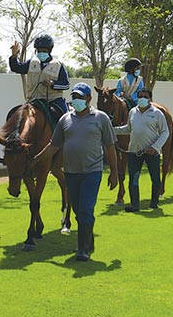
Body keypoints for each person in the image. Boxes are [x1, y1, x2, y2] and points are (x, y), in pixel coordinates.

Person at [33, 82, 119, 261]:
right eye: (74, 97)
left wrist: (114, 172)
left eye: (80, 97)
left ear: (88, 99)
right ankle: (88, 239)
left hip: (92, 171)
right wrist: (35, 160)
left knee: (86, 209)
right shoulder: (65, 119)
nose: (77, 100)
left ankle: (82, 249)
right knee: (79, 211)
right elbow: (53, 145)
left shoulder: (101, 118)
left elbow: (110, 146)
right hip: (71, 172)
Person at [113, 88, 169, 212]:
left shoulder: (157, 113)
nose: (142, 98)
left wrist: (155, 147)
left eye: (145, 96)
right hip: (134, 151)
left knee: (155, 178)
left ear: (150, 98)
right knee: (133, 178)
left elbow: (165, 132)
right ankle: (134, 205)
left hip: (152, 152)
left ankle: (154, 204)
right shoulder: (133, 112)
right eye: (140, 96)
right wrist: (113, 130)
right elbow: (128, 128)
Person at [9, 34, 70, 115]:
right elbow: (16, 68)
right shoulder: (31, 62)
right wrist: (14, 56)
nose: (41, 53)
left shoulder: (58, 65)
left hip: (53, 100)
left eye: (44, 51)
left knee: (66, 118)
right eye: (39, 51)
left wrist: (52, 84)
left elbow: (66, 84)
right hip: (33, 100)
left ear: (50, 50)